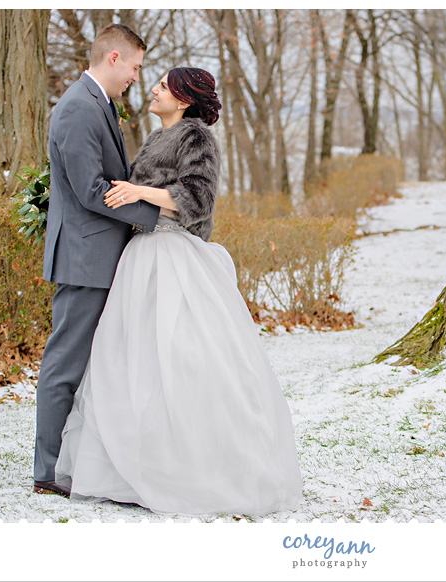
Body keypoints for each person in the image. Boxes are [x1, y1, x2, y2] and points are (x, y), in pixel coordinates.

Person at [53, 67, 304, 516]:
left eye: (164, 86)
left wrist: (140, 191)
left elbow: (197, 200)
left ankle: (194, 465)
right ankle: (131, 468)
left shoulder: (197, 139)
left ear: (185, 98)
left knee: (182, 359)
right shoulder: (153, 138)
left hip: (174, 255)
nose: (153, 89)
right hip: (140, 256)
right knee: (131, 363)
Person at [33, 24, 160, 498]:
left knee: (92, 366)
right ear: (113, 58)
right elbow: (90, 190)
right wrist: (157, 212)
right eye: (134, 67)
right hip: (86, 258)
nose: (135, 76)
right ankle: (47, 470)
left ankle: (77, 460)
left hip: (102, 255)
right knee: (65, 364)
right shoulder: (77, 108)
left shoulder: (101, 105)